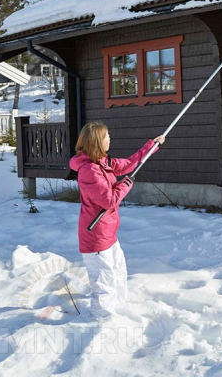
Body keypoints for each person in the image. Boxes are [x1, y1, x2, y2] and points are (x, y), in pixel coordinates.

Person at [70, 122, 165, 320]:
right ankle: (101, 318)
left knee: (118, 271)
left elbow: (128, 164)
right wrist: (125, 186)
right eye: (106, 137)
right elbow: (108, 200)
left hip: (108, 233)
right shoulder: (90, 170)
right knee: (103, 278)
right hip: (95, 235)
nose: (110, 139)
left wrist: (151, 147)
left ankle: (119, 308)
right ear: (97, 141)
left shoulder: (103, 163)